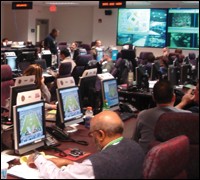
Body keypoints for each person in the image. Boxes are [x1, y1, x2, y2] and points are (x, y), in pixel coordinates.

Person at [27, 111, 145, 179]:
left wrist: (38, 158)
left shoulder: (98, 163)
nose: (92, 138)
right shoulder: (136, 147)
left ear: (100, 134)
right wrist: (71, 163)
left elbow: (58, 176)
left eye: (92, 134)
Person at [134, 79, 191, 153]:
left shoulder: (143, 115)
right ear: (174, 97)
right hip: (175, 161)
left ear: (153, 97)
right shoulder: (188, 116)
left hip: (146, 161)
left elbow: (134, 141)